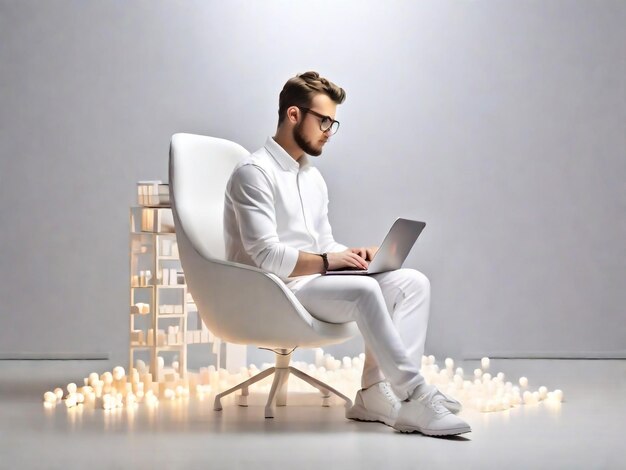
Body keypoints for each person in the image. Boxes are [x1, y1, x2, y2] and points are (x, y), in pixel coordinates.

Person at [223, 71, 471, 436]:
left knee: (411, 283)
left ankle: (374, 393)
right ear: (294, 115)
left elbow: (324, 243)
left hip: (313, 283)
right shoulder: (253, 173)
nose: (328, 130)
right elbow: (267, 258)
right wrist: (328, 262)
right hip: (274, 290)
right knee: (365, 291)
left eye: (332, 123)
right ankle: (416, 395)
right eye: (324, 120)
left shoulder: (312, 178)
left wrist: (352, 255)